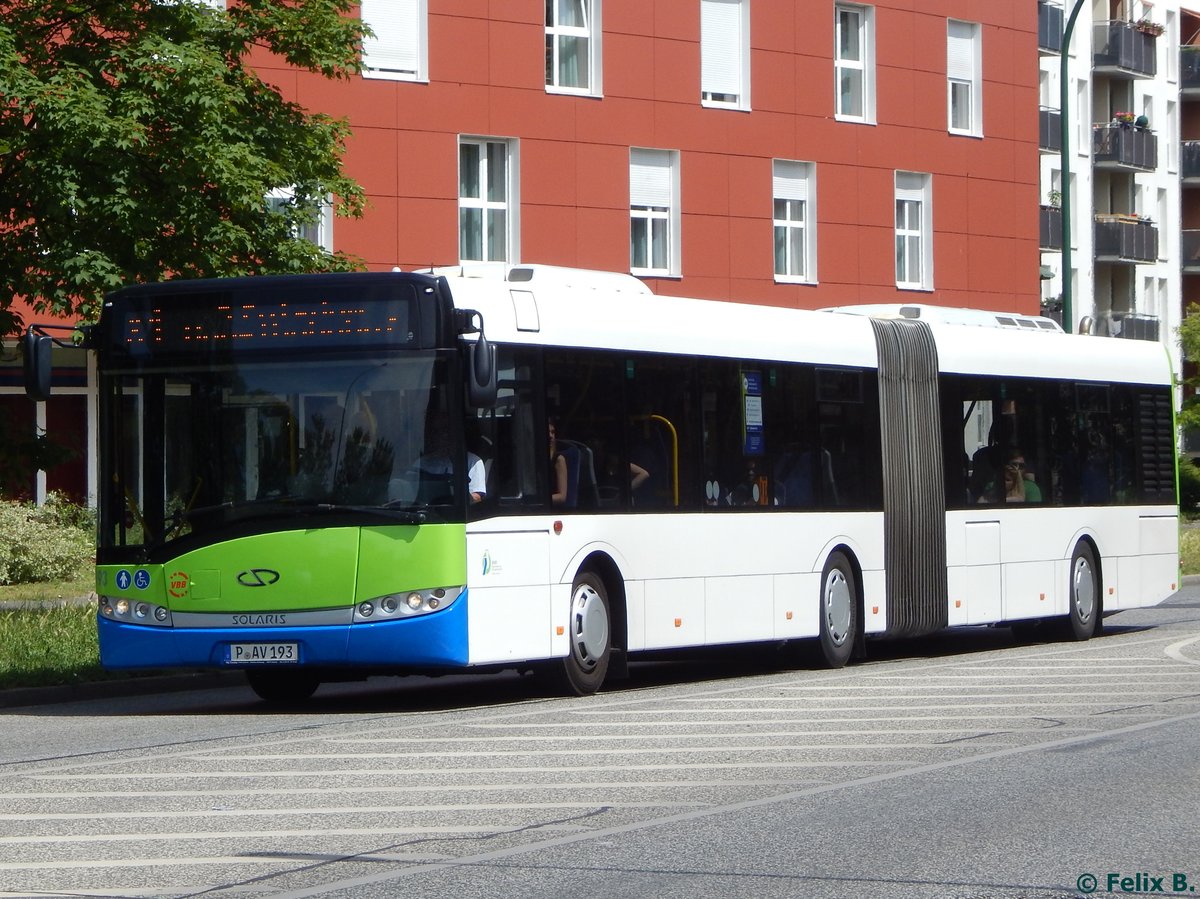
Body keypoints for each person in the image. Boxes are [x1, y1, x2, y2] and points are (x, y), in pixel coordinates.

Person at [418, 414, 486, 503]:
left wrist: (457, 496)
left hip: (456, 513)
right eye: (437, 432)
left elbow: (477, 496)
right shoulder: (421, 463)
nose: (443, 436)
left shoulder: (473, 461)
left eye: (446, 431)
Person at [549, 419, 569, 505]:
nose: (551, 436)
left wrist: (540, 499)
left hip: (552, 511)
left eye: (552, 432)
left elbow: (562, 497)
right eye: (547, 432)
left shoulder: (559, 459)